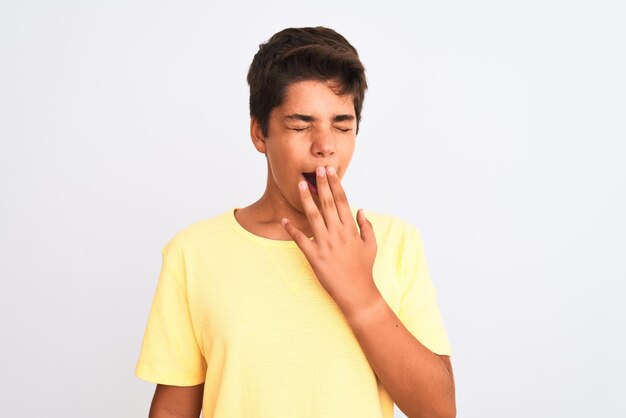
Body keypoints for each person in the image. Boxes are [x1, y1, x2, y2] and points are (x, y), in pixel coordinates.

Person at [136, 26, 456, 418]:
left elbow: (439, 410)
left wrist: (360, 292)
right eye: (301, 124)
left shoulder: (395, 242)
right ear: (259, 133)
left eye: (342, 124)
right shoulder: (193, 253)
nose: (325, 144)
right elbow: (172, 410)